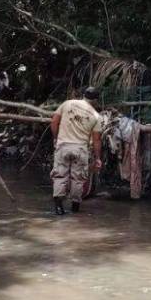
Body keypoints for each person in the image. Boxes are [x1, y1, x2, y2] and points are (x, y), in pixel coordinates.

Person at [49, 86, 103, 215]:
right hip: (80, 149)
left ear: (83, 95)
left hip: (63, 145)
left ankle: (58, 208)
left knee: (60, 176)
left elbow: (54, 122)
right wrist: (97, 158)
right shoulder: (96, 116)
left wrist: (57, 138)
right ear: (95, 100)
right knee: (78, 179)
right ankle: (75, 209)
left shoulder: (68, 104)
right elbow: (96, 140)